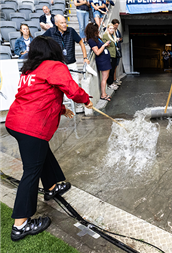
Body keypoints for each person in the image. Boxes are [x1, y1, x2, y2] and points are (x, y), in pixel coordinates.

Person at [6, 36, 93, 241]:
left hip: (15, 122)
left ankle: (52, 187)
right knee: (31, 172)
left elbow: (39, 95)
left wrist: (61, 109)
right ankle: (21, 225)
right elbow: (71, 89)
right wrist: (86, 100)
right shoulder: (54, 66)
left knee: (41, 153)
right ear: (52, 50)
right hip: (31, 126)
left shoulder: (30, 70)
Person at [43, 14, 90, 85]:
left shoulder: (71, 31)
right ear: (56, 24)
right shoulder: (50, 32)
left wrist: (85, 57)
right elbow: (40, 42)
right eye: (62, 23)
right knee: (62, 86)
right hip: (58, 64)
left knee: (75, 84)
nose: (64, 24)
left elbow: (81, 43)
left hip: (71, 63)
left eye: (65, 22)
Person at [85, 23, 112, 101]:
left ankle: (104, 93)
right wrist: (104, 45)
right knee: (104, 78)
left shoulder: (96, 38)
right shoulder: (91, 40)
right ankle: (103, 95)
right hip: (102, 60)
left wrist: (105, 45)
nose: (98, 30)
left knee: (105, 78)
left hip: (105, 59)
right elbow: (97, 52)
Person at [102, 23, 118, 90]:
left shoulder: (113, 36)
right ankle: (110, 83)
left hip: (114, 55)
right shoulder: (106, 35)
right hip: (109, 55)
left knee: (113, 69)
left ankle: (111, 82)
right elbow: (104, 44)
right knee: (110, 70)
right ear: (108, 29)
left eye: (113, 29)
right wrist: (107, 44)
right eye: (110, 28)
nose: (112, 30)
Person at [111, 19, 123, 84]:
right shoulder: (112, 32)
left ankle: (115, 79)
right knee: (114, 66)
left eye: (117, 25)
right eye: (115, 25)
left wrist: (119, 39)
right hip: (114, 51)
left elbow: (121, 38)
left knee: (116, 65)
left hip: (118, 50)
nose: (116, 27)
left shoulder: (117, 31)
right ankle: (113, 79)